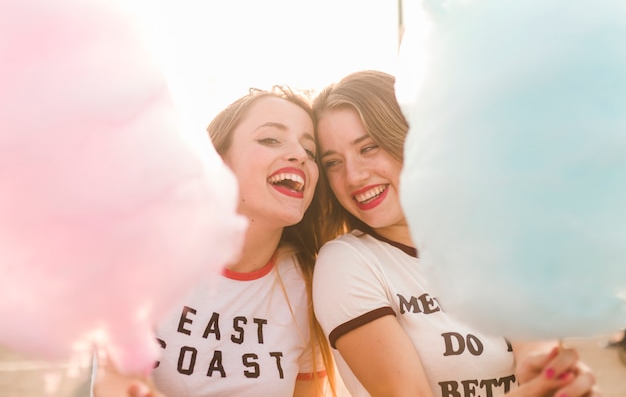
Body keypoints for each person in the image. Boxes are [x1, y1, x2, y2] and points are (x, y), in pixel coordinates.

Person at [310, 70, 600, 397]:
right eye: (333, 162)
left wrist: (553, 378)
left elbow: (534, 352)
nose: (353, 176)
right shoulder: (346, 263)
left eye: (368, 147)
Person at [93, 85, 336, 397]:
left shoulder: (308, 283)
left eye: (310, 150)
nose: (300, 155)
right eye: (270, 139)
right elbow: (111, 382)